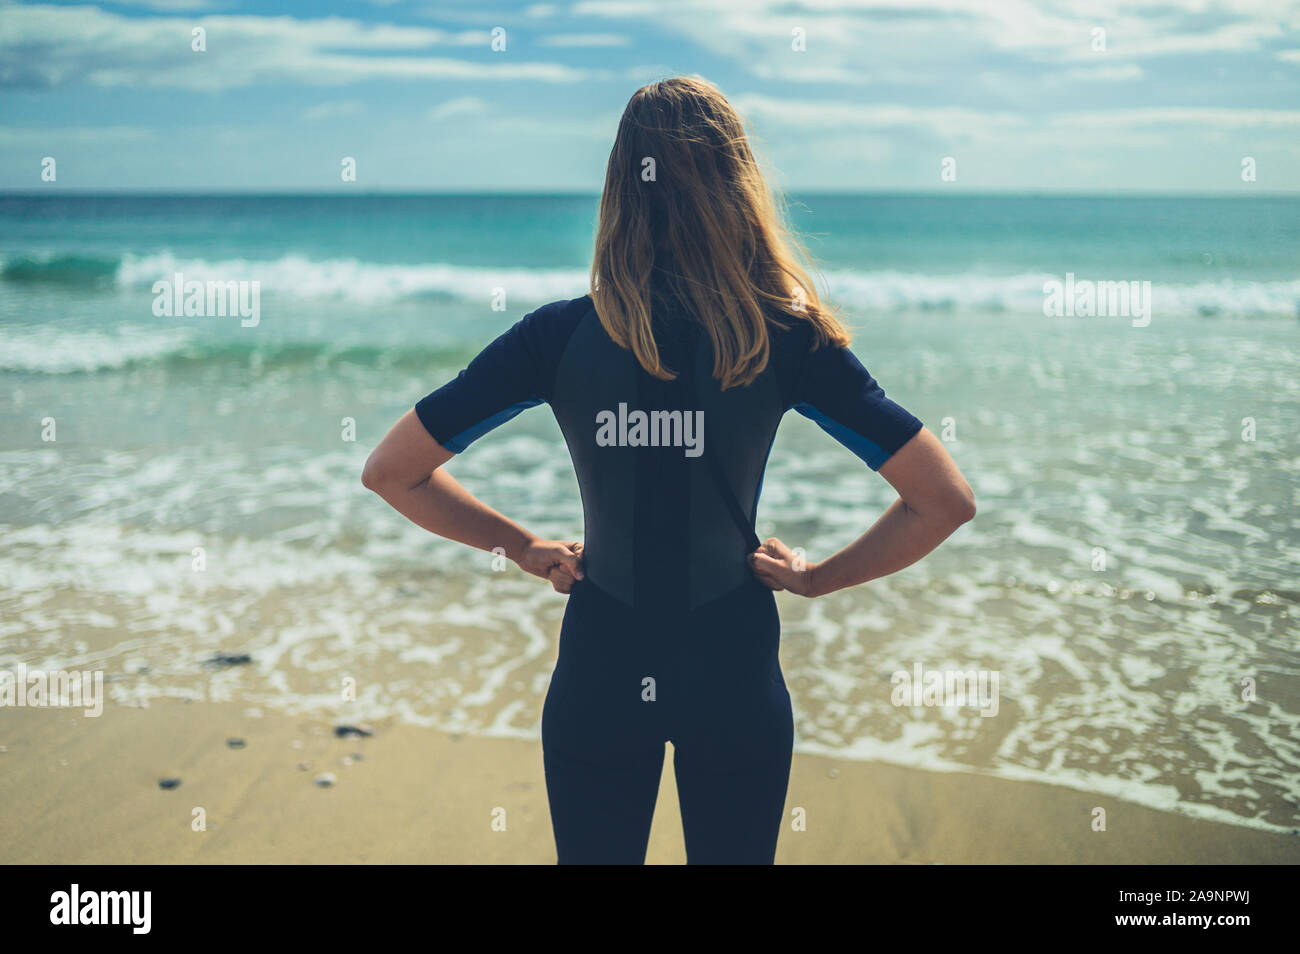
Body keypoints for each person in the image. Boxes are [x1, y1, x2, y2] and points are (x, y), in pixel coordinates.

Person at [362, 76, 975, 864]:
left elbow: (392, 471)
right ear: (738, 186)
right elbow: (943, 500)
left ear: (621, 189)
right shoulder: (784, 341)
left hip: (601, 671)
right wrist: (818, 578)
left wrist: (518, 545)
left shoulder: (556, 337)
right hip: (735, 672)